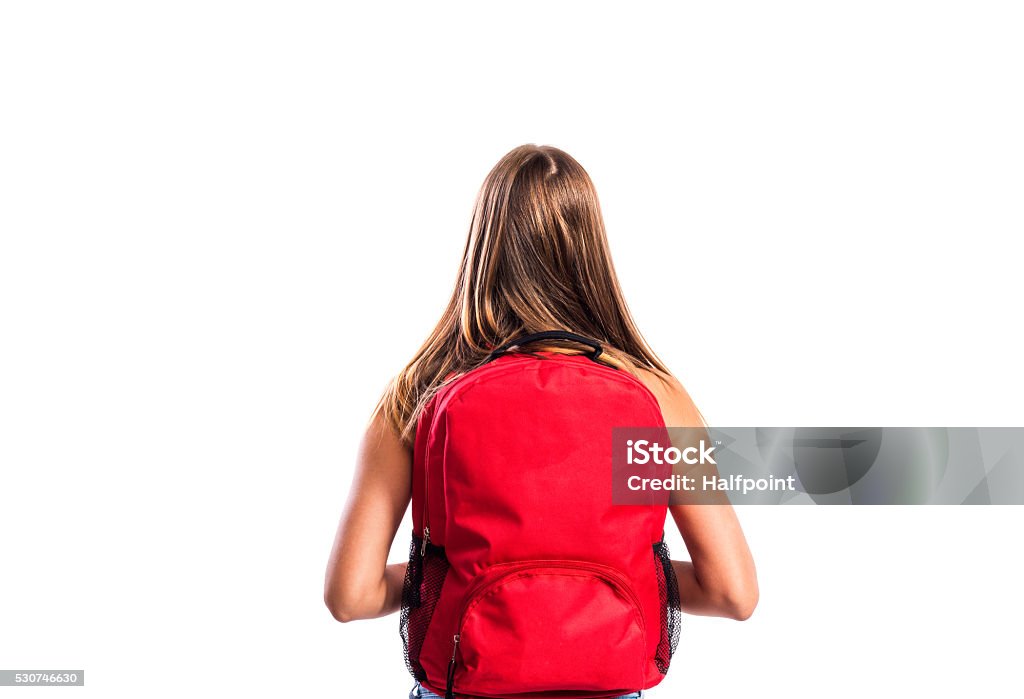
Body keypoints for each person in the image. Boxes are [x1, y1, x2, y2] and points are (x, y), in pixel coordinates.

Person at [324, 144, 759, 698]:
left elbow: (350, 597)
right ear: (592, 249)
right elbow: (733, 594)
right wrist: (597, 586)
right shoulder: (656, 395)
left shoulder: (420, 391)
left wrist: (456, 579)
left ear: (483, 246)